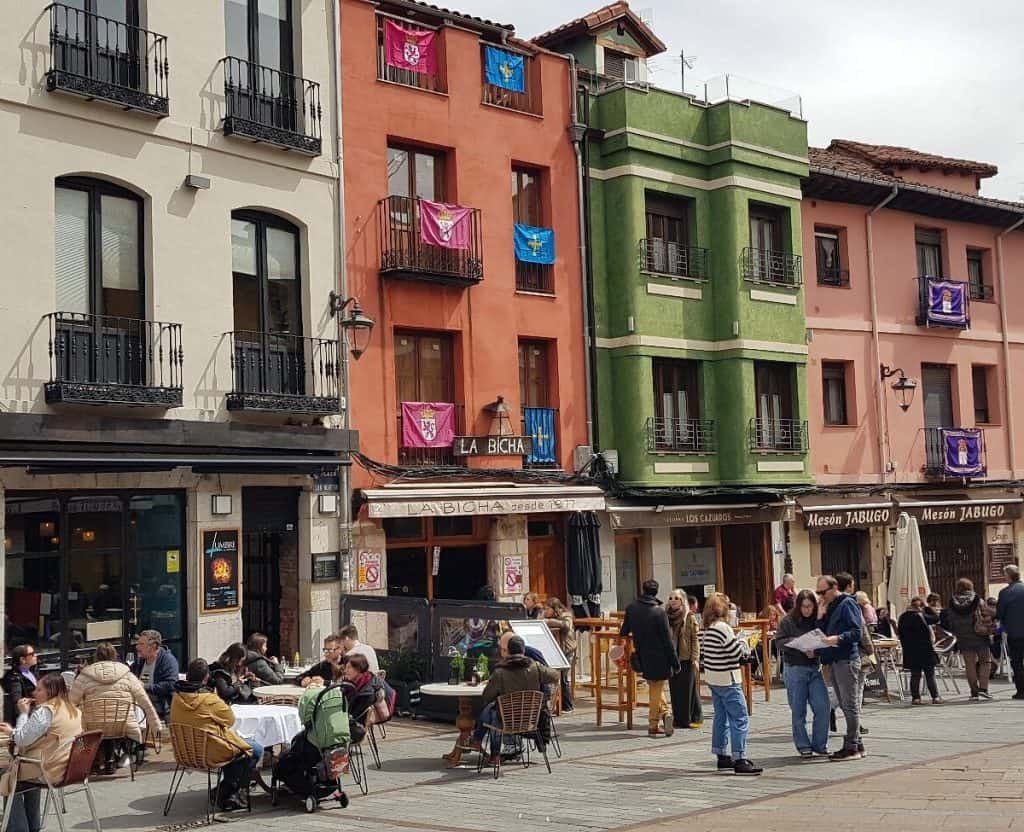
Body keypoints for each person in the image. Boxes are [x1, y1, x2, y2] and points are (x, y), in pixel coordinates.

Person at [171, 659, 261, 811]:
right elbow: (230, 720)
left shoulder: (177, 698)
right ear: (206, 678)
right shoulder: (209, 699)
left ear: (187, 676)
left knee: (236, 750)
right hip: (211, 752)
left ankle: (227, 790)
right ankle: (229, 790)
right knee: (256, 749)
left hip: (185, 752)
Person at [0, 674, 83, 832]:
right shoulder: (74, 709)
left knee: (6, 772)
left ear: (50, 692)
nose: (34, 693)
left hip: (49, 769)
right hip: (69, 767)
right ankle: (33, 826)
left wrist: (23, 714)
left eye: (39, 690)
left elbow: (21, 739)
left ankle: (19, 828)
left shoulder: (45, 711)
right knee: (26, 771)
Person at [463, 635, 559, 763]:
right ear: (523, 651)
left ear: (507, 652)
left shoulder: (500, 672)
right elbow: (555, 676)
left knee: (492, 712)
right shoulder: (535, 667)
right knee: (491, 710)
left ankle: (493, 753)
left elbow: (487, 696)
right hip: (531, 719)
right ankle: (478, 741)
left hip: (507, 720)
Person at [69, 642, 162, 772]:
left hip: (93, 725)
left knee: (94, 721)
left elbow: (71, 703)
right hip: (122, 724)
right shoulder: (127, 674)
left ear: (96, 657)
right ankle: (116, 759)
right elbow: (145, 702)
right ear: (114, 656)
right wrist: (156, 725)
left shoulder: (84, 676)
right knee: (115, 720)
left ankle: (95, 761)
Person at [698, 593, 761, 775]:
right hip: (728, 678)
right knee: (740, 718)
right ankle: (739, 757)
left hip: (713, 678)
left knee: (721, 717)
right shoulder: (723, 628)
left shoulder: (705, 629)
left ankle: (721, 754)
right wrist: (743, 640)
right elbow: (736, 653)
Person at [620, 579, 679, 738]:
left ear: (643, 590)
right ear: (656, 592)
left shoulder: (631, 608)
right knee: (656, 686)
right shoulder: (659, 612)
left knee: (655, 686)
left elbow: (624, 631)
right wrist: (675, 661)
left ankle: (666, 713)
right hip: (660, 656)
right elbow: (667, 640)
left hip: (642, 654)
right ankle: (653, 724)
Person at [815, 574, 864, 761]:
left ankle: (852, 746)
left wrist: (838, 638)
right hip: (834, 659)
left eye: (823, 592)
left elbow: (856, 632)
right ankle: (858, 744)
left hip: (846, 660)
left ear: (834, 588)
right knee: (844, 703)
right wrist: (820, 616)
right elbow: (822, 633)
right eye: (818, 592)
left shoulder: (847, 604)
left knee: (850, 705)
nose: (820, 596)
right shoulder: (828, 606)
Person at [777, 590, 829, 758]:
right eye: (804, 607)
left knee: (822, 707)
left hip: (814, 668)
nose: (807, 610)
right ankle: (803, 745)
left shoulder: (817, 622)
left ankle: (819, 744)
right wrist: (796, 644)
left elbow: (825, 641)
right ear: (798, 606)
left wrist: (816, 652)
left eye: (810, 606)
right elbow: (779, 641)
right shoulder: (788, 621)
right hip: (794, 668)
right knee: (798, 710)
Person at [945, 579, 995, 700]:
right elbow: (986, 616)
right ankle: (983, 688)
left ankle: (974, 692)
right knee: (985, 662)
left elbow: (949, 620)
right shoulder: (978, 600)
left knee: (969, 664)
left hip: (963, 637)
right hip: (980, 635)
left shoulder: (952, 602)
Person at [666, 589, 702, 729]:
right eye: (671, 598)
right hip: (672, 658)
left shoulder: (689, 617)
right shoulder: (666, 616)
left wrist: (695, 658)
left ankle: (688, 719)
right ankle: (678, 718)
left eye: (676, 598)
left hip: (686, 657)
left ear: (682, 601)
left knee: (687, 689)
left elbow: (695, 639)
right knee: (674, 689)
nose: (673, 600)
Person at [898, 597, 942, 705]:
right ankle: (935, 697)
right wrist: (927, 607)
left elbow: (900, 633)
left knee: (915, 675)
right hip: (925, 649)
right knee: (930, 674)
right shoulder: (921, 616)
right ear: (920, 606)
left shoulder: (902, 617)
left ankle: (916, 698)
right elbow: (936, 618)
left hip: (910, 650)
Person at [130, 630, 179, 723]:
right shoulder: (140, 661)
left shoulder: (167, 661)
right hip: (139, 706)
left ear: (153, 646)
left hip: (159, 708)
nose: (137, 647)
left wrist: (146, 687)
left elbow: (171, 684)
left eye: (141, 644)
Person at [542, 597, 577, 711]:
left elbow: (566, 625)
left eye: (547, 608)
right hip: (556, 650)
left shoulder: (566, 615)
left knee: (563, 678)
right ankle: (558, 704)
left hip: (567, 650)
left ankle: (567, 705)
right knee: (557, 678)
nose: (546, 611)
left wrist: (548, 621)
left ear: (554, 608)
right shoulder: (549, 616)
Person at [997, 564, 1024, 699]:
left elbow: (1000, 613)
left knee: (1017, 662)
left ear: (1008, 576)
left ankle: (1021, 691)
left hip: (1015, 633)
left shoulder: (1005, 593)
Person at [340, 654, 383, 739]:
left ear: (358, 669)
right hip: (348, 721)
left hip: (352, 728)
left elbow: (351, 716)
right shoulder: (363, 680)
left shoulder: (365, 694)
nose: (345, 671)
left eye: (349, 668)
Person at [1, 645, 39, 726]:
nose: (35, 656)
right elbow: (17, 699)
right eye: (32, 654)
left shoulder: (33, 671)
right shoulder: (14, 677)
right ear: (22, 659)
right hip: (27, 716)